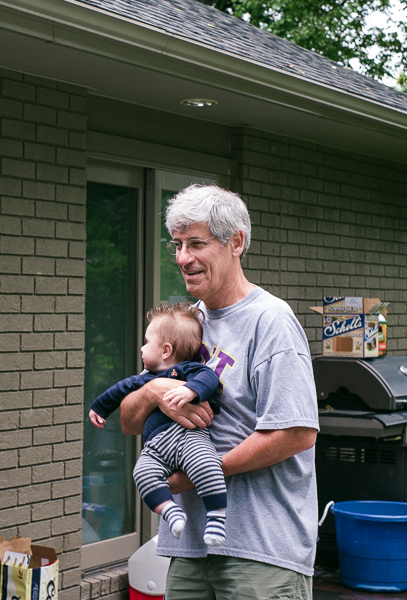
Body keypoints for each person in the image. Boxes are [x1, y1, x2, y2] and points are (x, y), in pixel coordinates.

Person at [119, 185, 319, 600]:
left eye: (196, 243)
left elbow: (297, 432)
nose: (182, 258)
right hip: (189, 548)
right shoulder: (186, 324)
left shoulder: (271, 321)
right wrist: (154, 389)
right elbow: (128, 420)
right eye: (177, 245)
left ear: (236, 243)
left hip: (261, 552)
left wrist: (200, 474)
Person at [88, 303, 226, 546]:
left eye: (146, 342)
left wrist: (191, 390)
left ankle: (216, 515)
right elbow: (118, 390)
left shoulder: (187, 370)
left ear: (165, 350)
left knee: (206, 464)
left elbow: (209, 378)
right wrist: (99, 408)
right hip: (156, 447)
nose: (141, 348)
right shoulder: (143, 380)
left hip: (188, 438)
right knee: (141, 473)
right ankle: (170, 511)